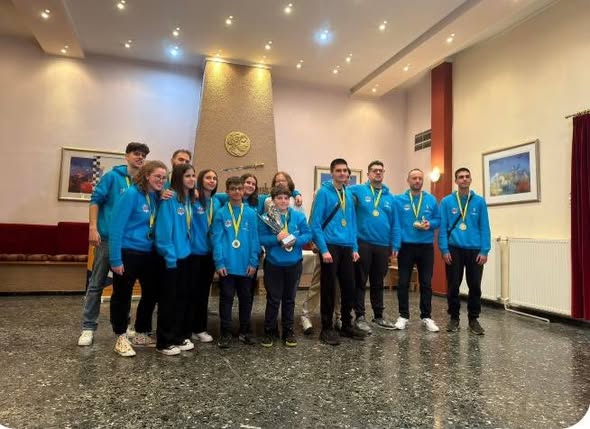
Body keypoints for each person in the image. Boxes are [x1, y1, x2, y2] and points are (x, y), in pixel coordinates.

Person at [77, 142, 149, 346]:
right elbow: (95, 200)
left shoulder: (143, 182)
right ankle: (88, 327)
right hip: (108, 239)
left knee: (124, 287)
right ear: (126, 156)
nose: (140, 157)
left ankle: (123, 327)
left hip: (129, 244)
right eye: (136, 153)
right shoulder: (112, 177)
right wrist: (93, 227)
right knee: (96, 283)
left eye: (143, 155)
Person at [108, 160, 168, 357]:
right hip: (128, 252)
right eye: (158, 176)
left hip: (148, 252)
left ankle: (141, 332)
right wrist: (115, 259)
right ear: (147, 175)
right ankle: (120, 336)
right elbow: (116, 227)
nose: (161, 180)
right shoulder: (131, 194)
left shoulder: (155, 196)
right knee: (122, 295)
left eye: (164, 177)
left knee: (151, 292)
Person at [309, 158, 366, 345]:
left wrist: (355, 247)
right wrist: (324, 249)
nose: (342, 173)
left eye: (345, 171)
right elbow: (315, 224)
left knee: (349, 287)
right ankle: (326, 328)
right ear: (332, 173)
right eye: (339, 170)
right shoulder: (323, 193)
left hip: (347, 246)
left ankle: (346, 324)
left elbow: (352, 223)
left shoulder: (348, 194)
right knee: (328, 289)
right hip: (330, 246)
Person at [438, 167, 491, 335]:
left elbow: (485, 227)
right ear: (456, 181)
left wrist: (485, 250)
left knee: (475, 286)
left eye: (467, 176)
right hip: (454, 249)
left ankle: (473, 320)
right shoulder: (446, 202)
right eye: (461, 177)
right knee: (453, 285)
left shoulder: (479, 201)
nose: (464, 179)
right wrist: (444, 249)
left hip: (475, 250)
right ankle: (454, 318)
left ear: (471, 180)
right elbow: (442, 228)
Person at [258, 185, 312, 347]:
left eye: (286, 198)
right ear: (273, 200)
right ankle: (270, 331)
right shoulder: (266, 218)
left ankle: (288, 331)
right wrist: (276, 239)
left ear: (290, 200)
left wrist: (295, 240)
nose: (283, 201)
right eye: (279, 198)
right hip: (274, 264)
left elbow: (308, 234)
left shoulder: (298, 216)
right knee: (273, 299)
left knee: (289, 299)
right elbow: (260, 238)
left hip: (294, 264)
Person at [350, 160, 400, 333]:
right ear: (368, 174)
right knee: (360, 281)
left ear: (383, 173)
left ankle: (378, 316)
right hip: (363, 243)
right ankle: (360, 316)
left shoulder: (390, 198)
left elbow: (395, 223)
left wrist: (395, 244)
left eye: (380, 170)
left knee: (378, 282)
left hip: (382, 245)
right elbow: (338, 187)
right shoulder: (358, 190)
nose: (378, 173)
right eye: (374, 170)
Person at [211, 176, 260, 349]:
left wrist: (253, 262)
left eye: (239, 188)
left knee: (246, 299)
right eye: (233, 189)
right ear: (227, 191)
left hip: (246, 266)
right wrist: (219, 263)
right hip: (227, 265)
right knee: (226, 299)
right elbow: (216, 240)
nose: (237, 192)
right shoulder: (221, 213)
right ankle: (225, 333)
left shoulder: (251, 213)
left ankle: (245, 331)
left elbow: (255, 239)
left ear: (243, 190)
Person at [154, 163, 197, 356]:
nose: (192, 179)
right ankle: (164, 342)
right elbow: (163, 233)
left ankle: (178, 336)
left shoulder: (187, 199)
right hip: (171, 259)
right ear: (179, 178)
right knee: (168, 301)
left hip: (185, 256)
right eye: (187, 176)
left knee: (181, 299)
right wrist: (170, 257)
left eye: (193, 175)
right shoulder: (169, 199)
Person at [393, 168, 441, 332]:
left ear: (422, 181)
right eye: (414, 178)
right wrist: (396, 245)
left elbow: (438, 219)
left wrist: (430, 224)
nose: (417, 181)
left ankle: (426, 316)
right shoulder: (399, 200)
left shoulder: (431, 200)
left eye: (420, 178)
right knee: (403, 282)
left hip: (426, 247)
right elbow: (396, 224)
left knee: (426, 283)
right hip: (406, 246)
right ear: (408, 180)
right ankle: (403, 316)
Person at [190, 169, 220, 343]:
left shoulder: (217, 202)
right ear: (200, 180)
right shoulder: (192, 199)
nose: (211, 180)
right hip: (193, 253)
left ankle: (200, 328)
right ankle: (187, 329)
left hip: (209, 254)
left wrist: (295, 192)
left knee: (203, 293)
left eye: (214, 178)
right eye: (208, 177)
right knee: (190, 292)